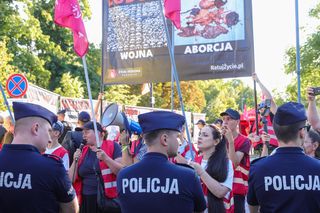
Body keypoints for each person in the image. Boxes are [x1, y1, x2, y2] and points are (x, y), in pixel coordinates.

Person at [117, 111, 206, 213]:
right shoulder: (188, 176)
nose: (178, 142)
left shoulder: (123, 175)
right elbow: (200, 210)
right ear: (165, 139)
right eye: (176, 137)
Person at [0, 102, 78, 213]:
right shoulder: (52, 168)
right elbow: (71, 210)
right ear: (35, 128)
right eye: (48, 131)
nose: (50, 140)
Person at [247, 102, 320, 212]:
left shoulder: (257, 168)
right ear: (302, 132)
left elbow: (253, 209)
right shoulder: (317, 168)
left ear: (276, 132)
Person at [70, 121, 123, 213]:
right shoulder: (83, 151)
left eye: (87, 132)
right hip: (86, 199)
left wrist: (106, 158)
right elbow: (71, 179)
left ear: (99, 134)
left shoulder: (113, 146)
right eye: (83, 133)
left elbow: (120, 172)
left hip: (107, 200)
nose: (84, 135)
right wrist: (75, 160)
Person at [189, 124, 234, 213]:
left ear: (216, 141)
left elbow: (221, 192)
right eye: (200, 134)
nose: (200, 137)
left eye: (205, 135)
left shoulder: (226, 163)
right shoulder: (194, 161)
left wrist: (201, 172)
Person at [220, 108, 251, 213]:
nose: (225, 121)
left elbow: (234, 163)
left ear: (237, 122)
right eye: (224, 119)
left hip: (237, 188)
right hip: (219, 187)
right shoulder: (218, 139)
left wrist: (230, 142)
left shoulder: (245, 141)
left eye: (229, 119)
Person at [251, 73, 279, 154]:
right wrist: (254, 138)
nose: (262, 107)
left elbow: (269, 98)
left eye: (265, 104)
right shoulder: (258, 119)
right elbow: (249, 136)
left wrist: (258, 81)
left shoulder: (273, 115)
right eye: (260, 105)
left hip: (273, 150)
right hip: (260, 151)